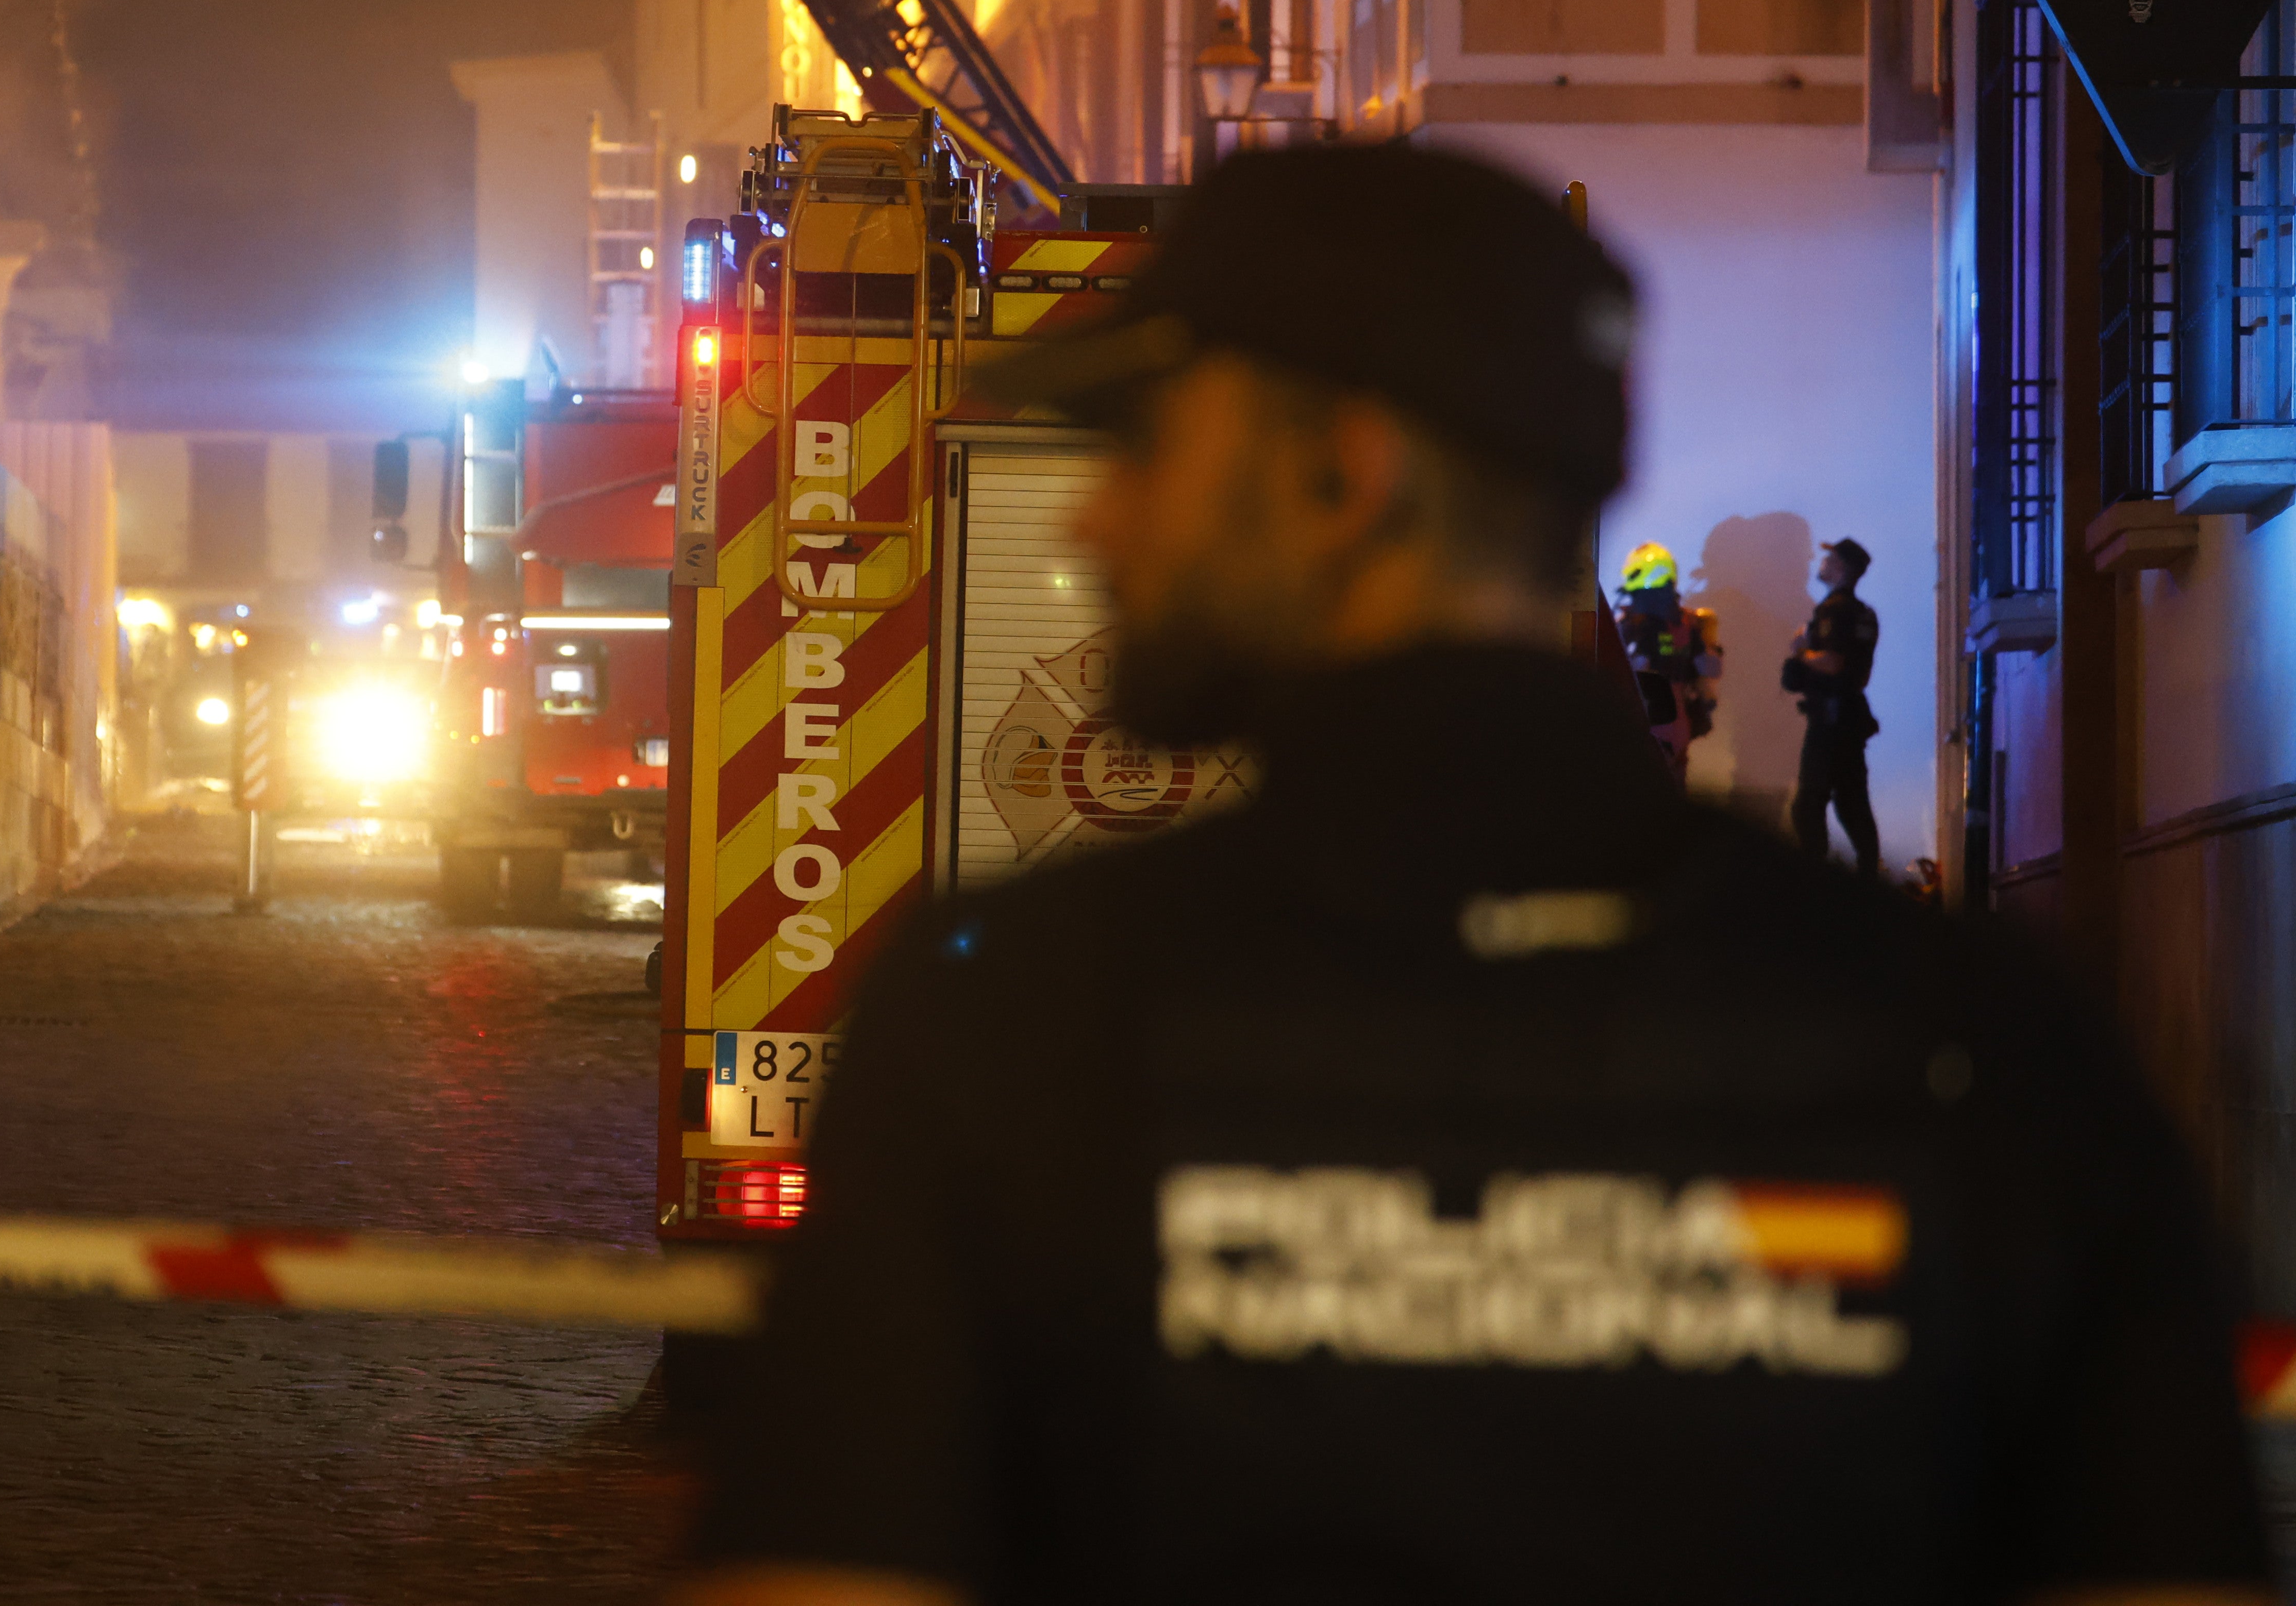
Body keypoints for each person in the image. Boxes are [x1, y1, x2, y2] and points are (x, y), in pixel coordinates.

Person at [676, 145, 2267, 1606]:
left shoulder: (1009, 1018)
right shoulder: (1987, 1043)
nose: (1093, 513)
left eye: (1143, 441)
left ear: (1340, 479)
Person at [1787, 536, 1881, 876]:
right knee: (1852, 803)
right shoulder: (1864, 615)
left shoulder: (1834, 610)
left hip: (1829, 721)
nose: (1822, 564)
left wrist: (1801, 652)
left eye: (1829, 560)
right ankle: (1869, 874)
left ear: (1841, 568)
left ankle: (1815, 882)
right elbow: (1858, 672)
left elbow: (1833, 662)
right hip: (1850, 721)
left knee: (1808, 806)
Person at [1612, 539, 1720, 786]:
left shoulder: (1633, 626)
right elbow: (1709, 672)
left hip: (1649, 723)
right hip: (1674, 724)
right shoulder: (1690, 625)